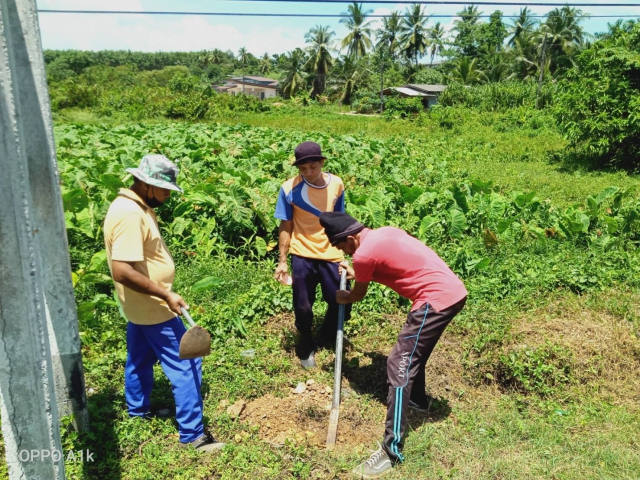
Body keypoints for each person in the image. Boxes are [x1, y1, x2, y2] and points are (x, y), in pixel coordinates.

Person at [319, 212, 467, 478]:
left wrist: (343, 297)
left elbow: (358, 294)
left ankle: (391, 451)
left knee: (399, 362)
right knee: (411, 356)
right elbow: (389, 266)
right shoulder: (384, 233)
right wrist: (359, 273)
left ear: (351, 238)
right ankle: (418, 402)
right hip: (453, 292)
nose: (343, 252)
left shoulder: (364, 255)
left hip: (434, 300)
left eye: (341, 247)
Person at [103, 154, 223, 452]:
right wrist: (165, 294)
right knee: (188, 363)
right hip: (153, 308)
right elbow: (123, 270)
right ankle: (193, 435)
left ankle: (137, 411)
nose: (168, 195)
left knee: (139, 359)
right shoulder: (130, 214)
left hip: (138, 307)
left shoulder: (134, 206)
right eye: (165, 189)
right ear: (145, 185)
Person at [274, 141, 351, 368]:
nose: (308, 173)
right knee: (303, 305)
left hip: (331, 251)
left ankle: (328, 332)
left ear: (322, 163)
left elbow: (340, 219)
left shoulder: (336, 184)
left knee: (340, 299)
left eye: (313, 167)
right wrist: (282, 261)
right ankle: (306, 343)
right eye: (303, 169)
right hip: (302, 252)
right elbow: (285, 225)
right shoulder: (288, 189)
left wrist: (347, 253)